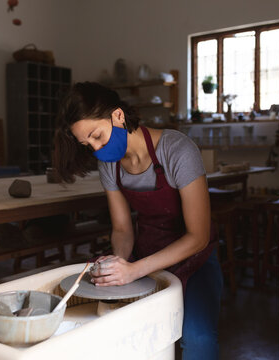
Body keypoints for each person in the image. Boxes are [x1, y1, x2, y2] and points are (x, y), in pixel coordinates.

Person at [54, 82, 222, 359]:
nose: (96, 149)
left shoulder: (177, 149)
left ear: (118, 116)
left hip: (195, 258)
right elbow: (122, 229)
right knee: (138, 335)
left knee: (198, 338)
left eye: (97, 136)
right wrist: (116, 266)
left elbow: (199, 236)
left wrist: (134, 271)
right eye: (88, 144)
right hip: (147, 253)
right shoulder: (108, 164)